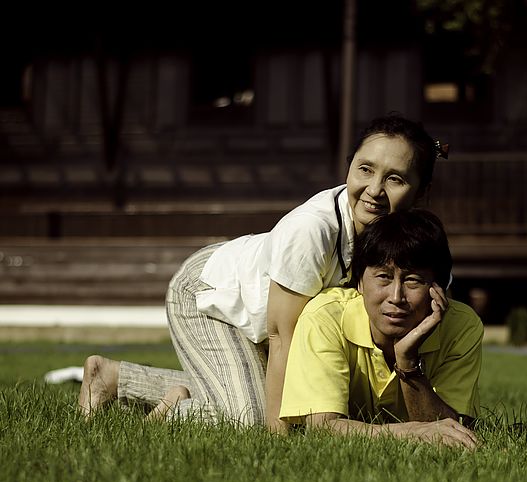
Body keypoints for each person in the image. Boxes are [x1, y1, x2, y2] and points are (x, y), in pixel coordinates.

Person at [78, 114, 449, 431]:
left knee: (283, 402)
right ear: (349, 166)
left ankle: (120, 378)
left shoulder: (407, 242)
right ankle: (151, 396)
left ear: (422, 191)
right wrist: (278, 443)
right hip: (212, 294)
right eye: (365, 169)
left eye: (395, 179)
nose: (374, 190)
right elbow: (281, 338)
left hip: (260, 311)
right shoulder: (312, 231)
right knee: (251, 416)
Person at [279, 209, 482, 449]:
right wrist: (408, 432)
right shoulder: (324, 317)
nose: (396, 297)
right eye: (384, 277)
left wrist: (407, 362)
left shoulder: (461, 326)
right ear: (360, 283)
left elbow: (453, 430)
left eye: (412, 280)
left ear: (437, 287)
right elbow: (322, 427)